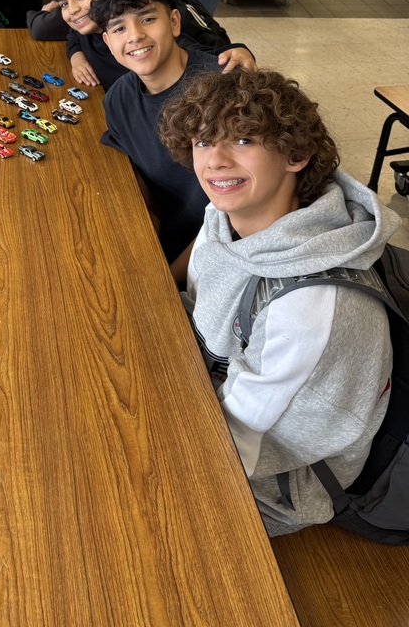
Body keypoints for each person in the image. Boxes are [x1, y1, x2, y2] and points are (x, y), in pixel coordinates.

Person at [158, 68, 399, 536]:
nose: (215, 162)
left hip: (282, 482)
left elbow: (229, 445)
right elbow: (196, 308)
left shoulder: (308, 307)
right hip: (212, 395)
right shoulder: (226, 213)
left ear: (297, 154)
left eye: (243, 140)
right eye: (203, 142)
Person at [89, 0, 223, 278]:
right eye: (119, 28)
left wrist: (168, 277)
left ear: (174, 22)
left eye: (148, 19)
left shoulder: (224, 89)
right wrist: (146, 236)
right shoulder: (118, 99)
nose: (134, 36)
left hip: (220, 256)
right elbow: (135, 172)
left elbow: (243, 214)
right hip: (162, 246)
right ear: (108, 42)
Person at [52, 0, 255, 91]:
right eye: (63, 4)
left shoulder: (157, 33)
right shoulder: (85, 27)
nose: (73, 10)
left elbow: (210, 54)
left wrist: (237, 52)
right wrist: (76, 57)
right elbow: (73, 37)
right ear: (107, 39)